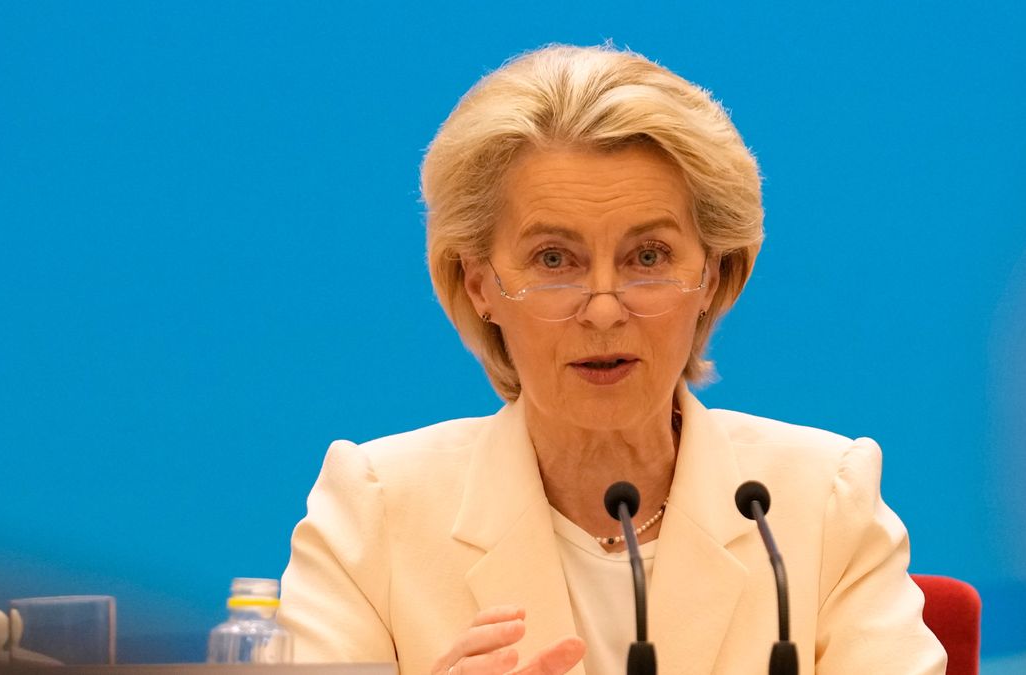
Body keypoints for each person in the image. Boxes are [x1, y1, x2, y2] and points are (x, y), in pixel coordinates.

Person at [278, 44, 947, 675]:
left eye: (647, 257)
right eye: (554, 259)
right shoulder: (375, 513)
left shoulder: (819, 503)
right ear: (481, 283)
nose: (603, 308)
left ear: (713, 273)